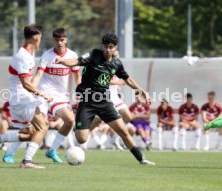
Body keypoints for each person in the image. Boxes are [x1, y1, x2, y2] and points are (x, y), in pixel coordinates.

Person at [55, 33, 155, 165]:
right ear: (102, 46)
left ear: (115, 48)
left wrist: (143, 92)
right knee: (81, 139)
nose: (108, 50)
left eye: (111, 47)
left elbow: (128, 80)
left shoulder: (117, 63)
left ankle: (141, 159)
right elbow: (77, 62)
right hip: (87, 101)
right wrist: (63, 62)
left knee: (122, 130)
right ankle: (86, 124)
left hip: (104, 101)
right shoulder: (94, 55)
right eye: (106, 47)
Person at [0, 24, 51, 169]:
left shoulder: (28, 54)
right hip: (22, 98)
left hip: (22, 98)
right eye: (40, 37)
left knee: (31, 133)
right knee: (43, 128)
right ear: (36, 38)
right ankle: (27, 161)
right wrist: (42, 94)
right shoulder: (22, 56)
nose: (40, 40)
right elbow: (25, 84)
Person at [31, 28, 80, 163]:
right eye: (57, 40)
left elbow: (77, 75)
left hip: (59, 95)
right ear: (53, 40)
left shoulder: (72, 56)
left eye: (62, 40)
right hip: (43, 93)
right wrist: (31, 89)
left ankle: (52, 150)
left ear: (66, 40)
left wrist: (80, 92)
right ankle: (11, 151)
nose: (59, 42)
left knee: (70, 120)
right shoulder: (46, 56)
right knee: (38, 127)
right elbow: (38, 75)